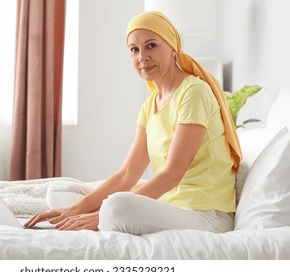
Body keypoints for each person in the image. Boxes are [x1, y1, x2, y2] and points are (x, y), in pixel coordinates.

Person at [25, 11, 242, 235]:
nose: (142, 57)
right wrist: (71, 211)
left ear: (172, 47)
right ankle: (92, 215)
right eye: (134, 49)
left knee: (116, 207)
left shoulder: (194, 93)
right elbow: (128, 173)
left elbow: (172, 174)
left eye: (151, 46)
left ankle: (107, 217)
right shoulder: (150, 106)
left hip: (204, 213)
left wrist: (99, 215)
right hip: (167, 205)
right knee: (59, 191)